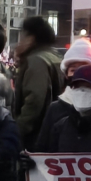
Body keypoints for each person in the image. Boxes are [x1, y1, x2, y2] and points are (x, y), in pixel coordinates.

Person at [13, 16, 64, 151]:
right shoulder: (54, 57)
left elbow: (34, 99)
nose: (20, 41)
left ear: (31, 38)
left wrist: (18, 128)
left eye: (23, 35)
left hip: (36, 136)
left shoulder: (37, 61)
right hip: (53, 130)